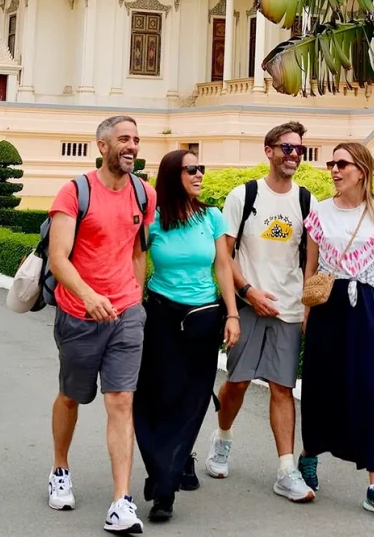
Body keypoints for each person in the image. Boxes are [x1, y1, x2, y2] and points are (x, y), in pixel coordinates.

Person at [47, 115, 155, 535]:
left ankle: (120, 501)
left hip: (125, 314)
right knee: (72, 397)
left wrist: (135, 298)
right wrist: (89, 297)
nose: (131, 146)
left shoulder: (145, 194)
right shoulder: (74, 192)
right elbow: (59, 258)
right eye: (123, 139)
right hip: (78, 313)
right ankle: (60, 468)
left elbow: (138, 251)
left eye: (136, 140)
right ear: (102, 146)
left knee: (121, 402)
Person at [205, 122, 317, 503]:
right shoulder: (244, 194)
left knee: (282, 387)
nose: (294, 155)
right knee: (237, 381)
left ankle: (286, 469)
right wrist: (247, 295)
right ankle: (222, 438)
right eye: (287, 148)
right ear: (268, 151)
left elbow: (312, 261)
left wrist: (307, 305)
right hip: (250, 304)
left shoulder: (306, 200)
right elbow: (225, 255)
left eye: (299, 149)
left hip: (287, 308)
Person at [297, 142, 374, 520]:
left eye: (341, 164)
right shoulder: (319, 212)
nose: (334, 170)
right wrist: (306, 311)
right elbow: (310, 268)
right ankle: (309, 457)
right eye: (331, 164)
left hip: (371, 306)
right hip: (328, 305)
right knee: (320, 384)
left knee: (372, 392)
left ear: (361, 170)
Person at [133, 150, 240, 523]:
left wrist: (232, 314)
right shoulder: (155, 219)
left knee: (192, 401)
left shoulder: (211, 216)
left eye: (201, 168)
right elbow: (134, 261)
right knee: (152, 398)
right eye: (191, 169)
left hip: (203, 319)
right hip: (160, 317)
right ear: (171, 175)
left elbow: (223, 266)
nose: (199, 174)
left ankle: (165, 486)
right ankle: (161, 468)